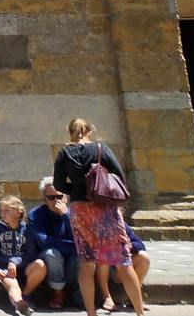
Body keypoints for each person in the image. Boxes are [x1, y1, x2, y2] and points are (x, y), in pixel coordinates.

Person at [52, 117, 143, 316]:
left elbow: (58, 184)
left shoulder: (64, 153)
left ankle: (91, 313)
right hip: (105, 208)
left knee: (86, 264)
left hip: (80, 211)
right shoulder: (100, 149)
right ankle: (139, 313)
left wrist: (76, 190)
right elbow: (119, 175)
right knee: (123, 261)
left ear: (70, 133)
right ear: (88, 131)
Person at [24, 179, 79, 307]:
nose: (56, 201)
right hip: (50, 266)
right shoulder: (36, 215)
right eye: (51, 197)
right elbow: (44, 242)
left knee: (81, 256)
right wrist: (73, 247)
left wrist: (66, 216)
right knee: (52, 253)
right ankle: (58, 293)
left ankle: (80, 295)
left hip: (71, 264)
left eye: (60, 196)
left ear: (66, 197)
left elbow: (81, 239)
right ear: (45, 199)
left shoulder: (75, 214)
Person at [0, 194, 36, 315]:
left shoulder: (26, 229)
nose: (3, 214)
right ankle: (19, 304)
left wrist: (15, 261)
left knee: (39, 264)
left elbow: (31, 254)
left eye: (7, 210)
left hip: (24, 267)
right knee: (12, 285)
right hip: (5, 269)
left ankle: (24, 299)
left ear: (18, 213)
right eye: (2, 211)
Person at [98, 225, 151, 313]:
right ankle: (106, 296)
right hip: (104, 268)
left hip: (121, 267)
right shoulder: (99, 224)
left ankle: (132, 298)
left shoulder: (122, 226)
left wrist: (128, 245)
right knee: (104, 256)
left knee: (144, 257)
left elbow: (140, 245)